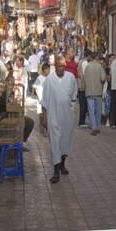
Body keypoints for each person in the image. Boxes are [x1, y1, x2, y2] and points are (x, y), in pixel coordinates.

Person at [41, 55, 77, 184]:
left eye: (63, 66)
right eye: (59, 66)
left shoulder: (71, 78)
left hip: (67, 116)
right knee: (55, 143)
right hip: (53, 116)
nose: (61, 68)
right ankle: (56, 171)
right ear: (54, 67)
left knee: (65, 141)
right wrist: (44, 117)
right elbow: (44, 101)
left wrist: (73, 113)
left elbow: (73, 97)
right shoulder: (49, 80)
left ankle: (62, 164)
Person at [83, 52, 107, 135]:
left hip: (89, 92)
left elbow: (84, 79)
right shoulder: (99, 66)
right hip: (98, 91)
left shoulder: (87, 67)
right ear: (96, 57)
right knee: (98, 111)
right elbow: (103, 78)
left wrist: (84, 88)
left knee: (91, 111)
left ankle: (93, 127)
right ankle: (97, 127)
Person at [33, 62, 50, 136]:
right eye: (47, 70)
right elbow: (35, 87)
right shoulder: (39, 78)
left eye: (49, 70)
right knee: (41, 115)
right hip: (41, 99)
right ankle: (42, 127)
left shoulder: (49, 78)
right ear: (44, 70)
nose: (49, 71)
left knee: (47, 115)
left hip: (48, 99)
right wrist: (39, 97)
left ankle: (46, 128)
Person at [77, 50, 91, 126]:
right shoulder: (85, 63)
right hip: (83, 86)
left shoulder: (80, 61)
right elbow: (85, 74)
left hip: (80, 85)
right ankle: (82, 122)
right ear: (88, 56)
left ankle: (82, 121)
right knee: (83, 105)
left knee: (82, 104)